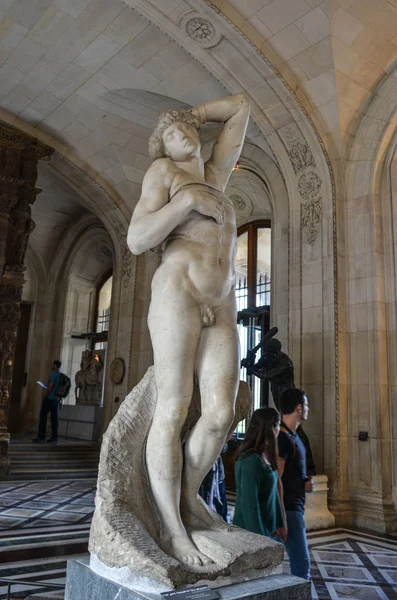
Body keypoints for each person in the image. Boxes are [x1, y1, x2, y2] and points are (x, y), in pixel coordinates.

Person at [127, 94, 250, 566]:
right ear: (164, 148)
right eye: (174, 134)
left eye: (188, 131)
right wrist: (185, 205)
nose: (185, 137)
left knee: (221, 412)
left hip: (221, 301)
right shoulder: (163, 175)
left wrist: (193, 114)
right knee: (174, 407)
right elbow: (137, 239)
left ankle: (188, 496)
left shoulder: (216, 176)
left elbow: (241, 108)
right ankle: (173, 530)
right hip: (178, 289)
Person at [233, 407, 287, 541]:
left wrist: (280, 523)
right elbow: (249, 505)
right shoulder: (250, 461)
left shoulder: (264, 455)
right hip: (252, 534)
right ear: (272, 428)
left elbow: (273, 494)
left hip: (269, 529)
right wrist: (260, 539)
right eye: (278, 425)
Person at [278, 388, 313, 580]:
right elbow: (276, 478)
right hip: (289, 510)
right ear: (299, 408)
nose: (308, 408)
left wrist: (303, 483)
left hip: (294, 507)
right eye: (306, 405)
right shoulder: (282, 438)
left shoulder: (294, 435)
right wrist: (282, 517)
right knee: (302, 566)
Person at [33, 360, 62, 444]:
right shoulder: (61, 375)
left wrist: (46, 394)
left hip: (50, 398)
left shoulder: (54, 374)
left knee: (43, 416)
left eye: (53, 365)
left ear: (55, 365)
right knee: (54, 419)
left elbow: (51, 386)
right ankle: (54, 438)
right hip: (56, 399)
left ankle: (41, 437)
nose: (52, 366)